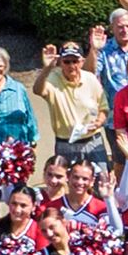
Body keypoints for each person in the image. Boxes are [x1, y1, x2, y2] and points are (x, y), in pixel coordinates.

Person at [31, 40, 110, 168]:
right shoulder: (52, 78)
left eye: (75, 61)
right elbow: (38, 90)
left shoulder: (90, 78)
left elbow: (103, 107)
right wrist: (47, 68)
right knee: (67, 184)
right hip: (66, 143)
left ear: (82, 62)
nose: (71, 65)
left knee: (102, 181)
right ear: (60, 62)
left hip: (93, 141)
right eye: (66, 61)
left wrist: (99, 122)